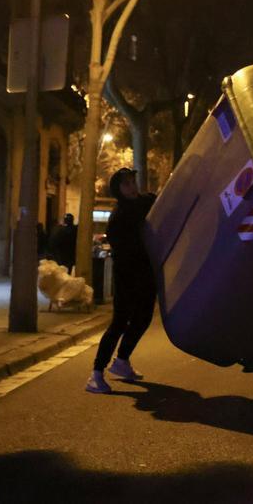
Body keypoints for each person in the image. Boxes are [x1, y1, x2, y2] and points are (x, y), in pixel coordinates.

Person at [87, 168, 158, 394]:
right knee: (119, 322)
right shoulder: (119, 217)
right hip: (127, 276)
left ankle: (122, 361)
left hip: (146, 273)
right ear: (118, 190)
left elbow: (158, 201)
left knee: (143, 318)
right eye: (126, 184)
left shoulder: (144, 201)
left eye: (132, 182)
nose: (132, 187)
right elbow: (123, 250)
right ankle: (96, 373)